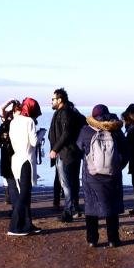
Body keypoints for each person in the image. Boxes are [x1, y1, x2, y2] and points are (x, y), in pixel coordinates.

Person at [77, 104, 128, 247]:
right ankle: (113, 239)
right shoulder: (116, 131)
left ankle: (92, 239)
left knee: (91, 207)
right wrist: (118, 167)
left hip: (91, 176)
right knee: (112, 208)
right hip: (113, 177)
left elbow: (78, 147)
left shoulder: (86, 131)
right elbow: (126, 152)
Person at [48, 88, 85, 222]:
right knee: (73, 182)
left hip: (66, 153)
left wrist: (55, 149)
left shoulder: (65, 113)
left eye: (53, 99)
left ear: (60, 100)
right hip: (72, 153)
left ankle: (68, 212)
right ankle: (75, 208)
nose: (51, 101)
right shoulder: (69, 111)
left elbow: (66, 133)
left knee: (66, 183)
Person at [8, 97, 43, 235]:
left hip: (16, 159)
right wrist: (41, 134)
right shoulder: (29, 121)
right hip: (26, 161)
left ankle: (28, 224)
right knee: (24, 194)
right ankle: (14, 227)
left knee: (23, 193)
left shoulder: (14, 121)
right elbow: (34, 142)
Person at [0, 99, 20, 206]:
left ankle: (14, 204)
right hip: (9, 154)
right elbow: (1, 108)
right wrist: (11, 100)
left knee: (11, 180)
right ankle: (12, 202)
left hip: (11, 154)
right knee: (11, 180)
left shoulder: (9, 122)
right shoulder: (6, 122)